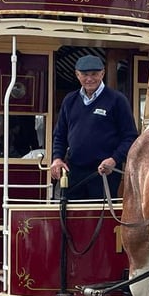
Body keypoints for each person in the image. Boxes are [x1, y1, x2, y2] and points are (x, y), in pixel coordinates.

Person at [50, 55, 138, 199]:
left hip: (105, 173)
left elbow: (130, 137)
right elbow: (60, 135)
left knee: (100, 219)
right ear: (77, 75)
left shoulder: (117, 100)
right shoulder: (69, 101)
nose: (89, 79)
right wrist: (57, 158)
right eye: (85, 74)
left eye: (94, 74)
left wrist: (114, 159)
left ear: (102, 73)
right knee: (73, 218)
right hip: (74, 172)